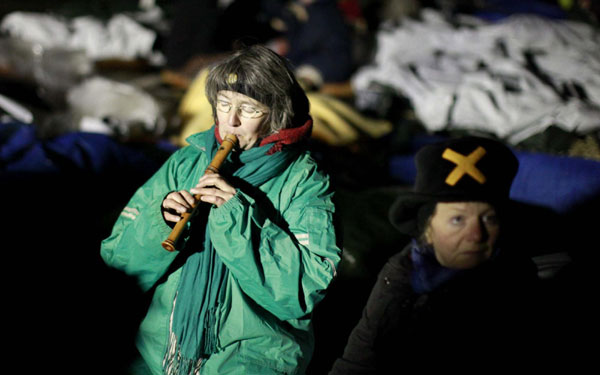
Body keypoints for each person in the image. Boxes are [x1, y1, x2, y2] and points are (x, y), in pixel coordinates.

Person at [101, 44, 341, 375]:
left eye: (249, 108)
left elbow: (303, 291)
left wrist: (236, 217)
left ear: (277, 113)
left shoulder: (305, 181)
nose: (231, 120)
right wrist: (158, 222)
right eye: (224, 104)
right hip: (157, 351)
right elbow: (116, 264)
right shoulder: (187, 160)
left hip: (254, 357)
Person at [328, 136, 543, 374]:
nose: (475, 234)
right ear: (429, 229)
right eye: (457, 219)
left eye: (488, 218)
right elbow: (359, 362)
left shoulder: (516, 274)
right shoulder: (402, 280)